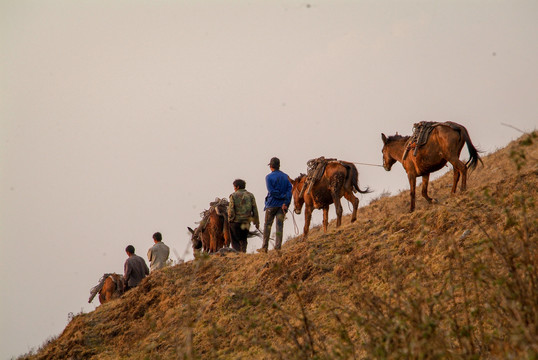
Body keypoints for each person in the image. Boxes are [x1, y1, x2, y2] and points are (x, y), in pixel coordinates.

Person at [258, 157, 292, 253]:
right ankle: (278, 248)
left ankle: (264, 248)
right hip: (282, 206)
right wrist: (286, 202)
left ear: (271, 166)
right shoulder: (286, 177)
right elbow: (290, 191)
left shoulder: (268, 177)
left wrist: (280, 196)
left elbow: (271, 191)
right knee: (279, 226)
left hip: (271, 204)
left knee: (267, 225)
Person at [228, 179, 260, 252]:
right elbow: (255, 209)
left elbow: (231, 210)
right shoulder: (250, 195)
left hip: (235, 222)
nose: (234, 188)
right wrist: (257, 222)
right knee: (244, 239)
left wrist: (230, 220)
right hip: (246, 221)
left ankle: (237, 255)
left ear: (238, 187)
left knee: (235, 240)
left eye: (234, 187)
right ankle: (243, 254)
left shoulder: (233, 195)